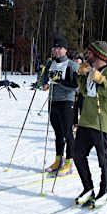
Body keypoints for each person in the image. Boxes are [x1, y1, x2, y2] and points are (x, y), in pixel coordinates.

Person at [73, 41, 107, 209]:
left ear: (98, 55)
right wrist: (81, 76)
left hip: (102, 123)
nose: (87, 54)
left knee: (104, 159)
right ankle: (88, 188)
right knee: (78, 154)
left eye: (90, 52)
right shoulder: (89, 70)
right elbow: (86, 92)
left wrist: (102, 81)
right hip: (86, 120)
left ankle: (105, 190)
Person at [41, 36, 78, 176]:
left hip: (67, 101)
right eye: (54, 48)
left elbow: (75, 85)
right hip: (53, 101)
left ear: (65, 50)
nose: (56, 50)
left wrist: (60, 82)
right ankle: (58, 160)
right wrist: (44, 81)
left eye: (59, 48)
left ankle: (69, 163)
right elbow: (45, 79)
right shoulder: (50, 63)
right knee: (58, 133)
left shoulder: (71, 65)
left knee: (68, 133)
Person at [73, 53, 85, 130]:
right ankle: (75, 124)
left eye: (79, 59)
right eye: (76, 59)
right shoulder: (72, 68)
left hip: (82, 93)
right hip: (74, 92)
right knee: (74, 109)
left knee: (82, 108)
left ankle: (82, 124)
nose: (77, 61)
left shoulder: (84, 69)